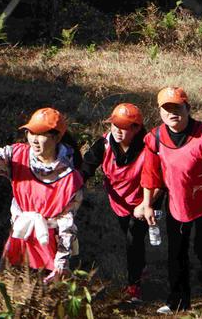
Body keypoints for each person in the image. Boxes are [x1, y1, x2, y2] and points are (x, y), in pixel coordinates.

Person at [137, 86, 202, 314]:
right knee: (176, 255)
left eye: (177, 108)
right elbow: (150, 176)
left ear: (187, 108)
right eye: (167, 109)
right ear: (160, 112)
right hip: (175, 206)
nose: (173, 113)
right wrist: (147, 204)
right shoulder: (154, 137)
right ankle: (178, 301)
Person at [0, 108, 83, 280]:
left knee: (44, 297)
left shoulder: (70, 178)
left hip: (49, 243)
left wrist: (61, 261)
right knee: (7, 289)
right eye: (30, 132)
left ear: (56, 137)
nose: (34, 139)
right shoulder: (17, 155)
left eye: (41, 134)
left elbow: (67, 224)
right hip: (20, 235)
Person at [81, 103, 150, 303]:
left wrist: (148, 204)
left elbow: (157, 180)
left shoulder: (148, 147)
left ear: (137, 128)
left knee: (133, 239)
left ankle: (134, 285)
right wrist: (75, 185)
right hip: (118, 201)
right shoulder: (104, 143)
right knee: (128, 234)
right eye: (115, 125)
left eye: (125, 127)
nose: (118, 131)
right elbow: (87, 166)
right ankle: (142, 266)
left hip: (142, 202)